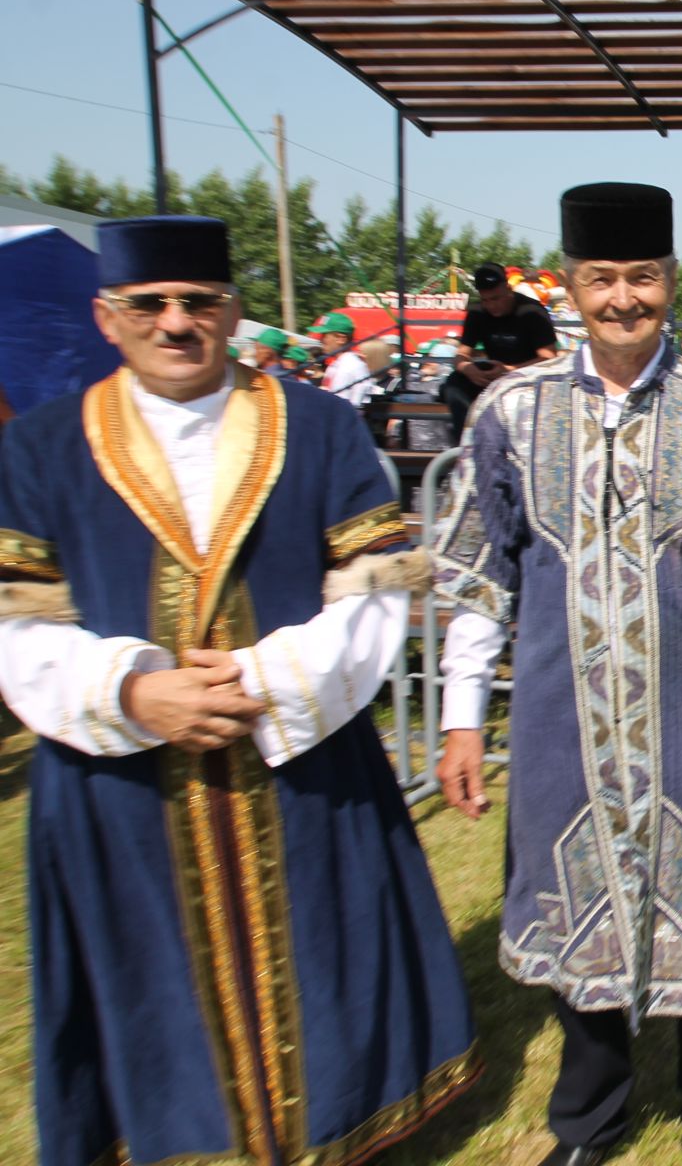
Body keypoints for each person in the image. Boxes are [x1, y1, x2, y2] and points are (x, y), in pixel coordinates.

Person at [0, 215, 477, 1166]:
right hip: (122, 789)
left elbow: (376, 594)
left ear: (232, 310)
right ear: (108, 316)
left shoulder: (321, 427)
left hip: (299, 761)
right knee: (149, 985)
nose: (176, 323)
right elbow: (17, 623)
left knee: (327, 967)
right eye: (150, 305)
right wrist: (134, 694)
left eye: (199, 302)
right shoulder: (45, 448)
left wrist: (261, 681)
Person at [433, 184, 682, 1166]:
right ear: (567, 283)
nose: (623, 298)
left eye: (642, 277)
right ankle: (589, 1120)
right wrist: (463, 717)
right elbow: (480, 574)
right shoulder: (509, 414)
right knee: (576, 904)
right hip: (563, 716)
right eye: (602, 278)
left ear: (670, 280)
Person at [444, 259, 561, 432]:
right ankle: (467, 439)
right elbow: (462, 354)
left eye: (496, 298)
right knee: (453, 383)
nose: (492, 305)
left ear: (508, 289)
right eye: (486, 300)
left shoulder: (532, 312)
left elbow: (549, 359)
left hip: (529, 377)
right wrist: (467, 368)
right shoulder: (477, 312)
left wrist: (510, 370)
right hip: (493, 375)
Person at [309, 311, 375, 407]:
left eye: (324, 335)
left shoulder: (349, 367)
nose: (320, 340)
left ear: (341, 339)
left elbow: (339, 407)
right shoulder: (339, 364)